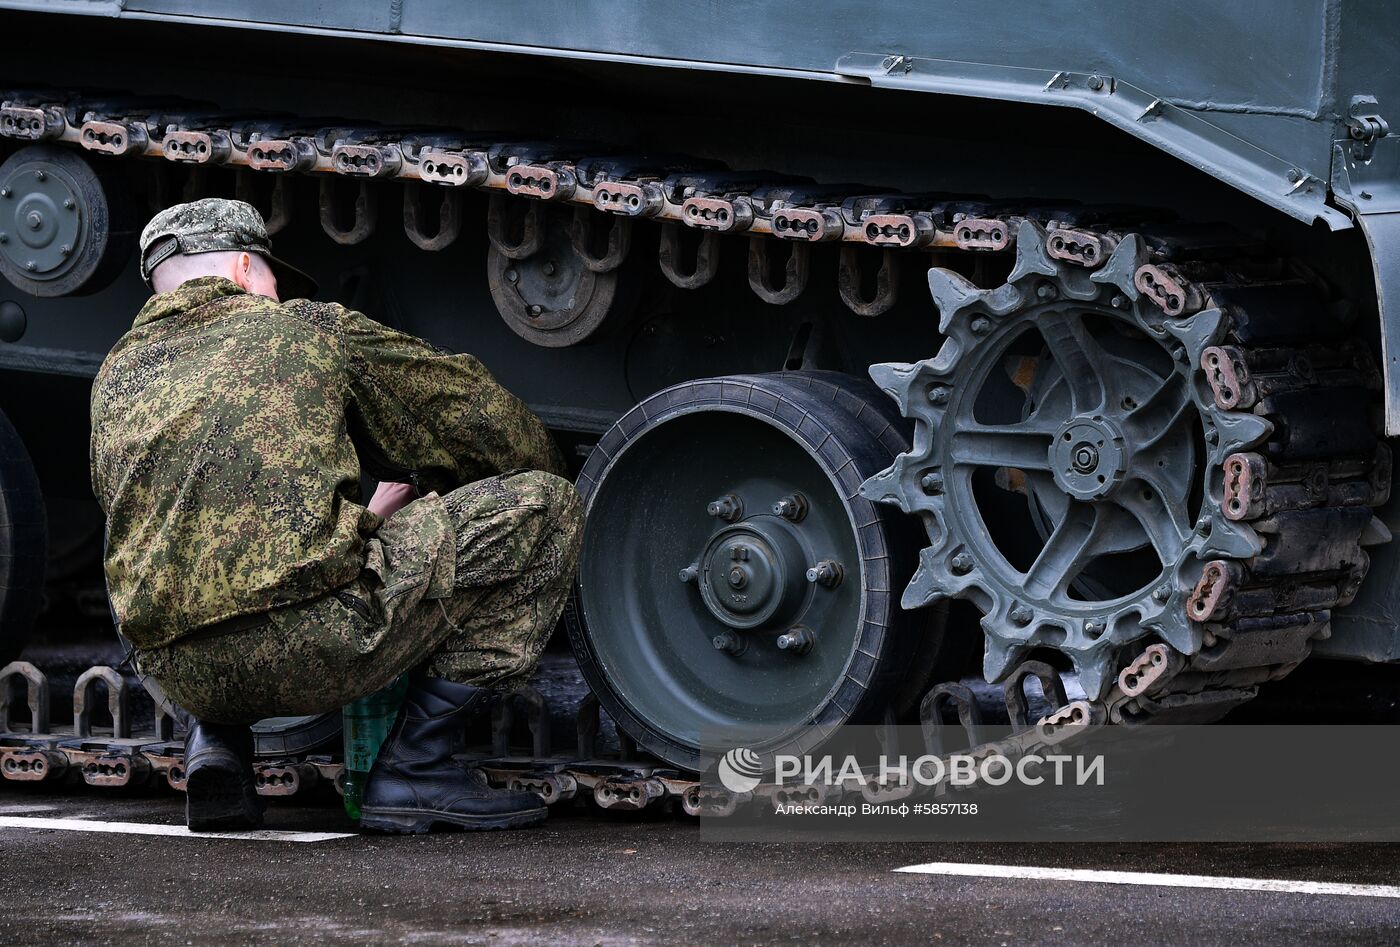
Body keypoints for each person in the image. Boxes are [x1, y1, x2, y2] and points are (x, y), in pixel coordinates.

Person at [89, 198, 583, 833]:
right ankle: (416, 767)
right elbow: (466, 417)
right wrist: (536, 461)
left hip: (176, 674)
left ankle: (216, 745)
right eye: (272, 279)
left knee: (180, 547)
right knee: (544, 505)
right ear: (244, 268)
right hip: (316, 644)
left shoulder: (116, 378)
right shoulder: (302, 328)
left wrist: (361, 521)